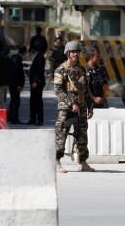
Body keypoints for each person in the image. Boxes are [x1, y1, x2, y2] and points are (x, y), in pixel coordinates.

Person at [54, 41, 95, 173]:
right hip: (66, 107)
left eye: (77, 52)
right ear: (68, 53)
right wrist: (72, 103)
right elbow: (58, 90)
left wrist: (90, 105)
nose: (76, 54)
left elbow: (86, 89)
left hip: (81, 106)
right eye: (73, 52)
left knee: (82, 135)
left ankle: (82, 162)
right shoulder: (61, 69)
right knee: (61, 134)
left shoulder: (81, 69)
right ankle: (57, 162)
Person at [26, 42, 46, 125]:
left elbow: (39, 71)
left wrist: (35, 81)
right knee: (33, 101)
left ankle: (39, 119)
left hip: (37, 83)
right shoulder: (37, 56)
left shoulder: (39, 57)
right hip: (35, 82)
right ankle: (33, 118)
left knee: (37, 101)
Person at [8, 45, 26, 124]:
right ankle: (14, 117)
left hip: (13, 83)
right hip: (15, 84)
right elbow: (16, 73)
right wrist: (18, 84)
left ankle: (10, 116)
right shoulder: (17, 59)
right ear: (24, 52)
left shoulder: (15, 58)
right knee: (16, 101)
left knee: (13, 100)